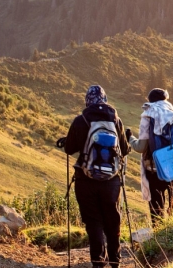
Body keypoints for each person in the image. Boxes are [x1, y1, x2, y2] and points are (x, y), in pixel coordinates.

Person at [62, 85, 130, 267]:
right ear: (105, 99)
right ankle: (116, 260)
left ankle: (98, 262)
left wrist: (66, 141)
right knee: (112, 219)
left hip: (85, 180)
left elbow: (69, 148)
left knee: (93, 221)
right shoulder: (116, 120)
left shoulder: (81, 120)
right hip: (112, 181)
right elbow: (123, 150)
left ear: (87, 101)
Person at [127, 88, 173, 225]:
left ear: (150, 101)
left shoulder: (147, 116)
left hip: (154, 169)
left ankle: (158, 237)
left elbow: (141, 147)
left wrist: (130, 138)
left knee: (157, 209)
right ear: (166, 100)